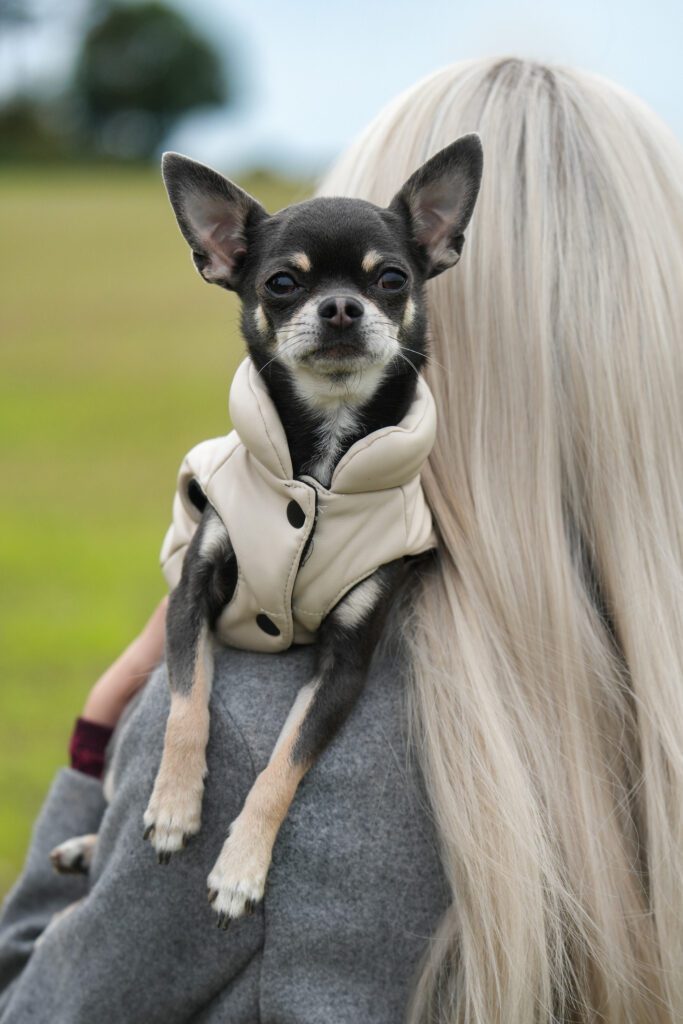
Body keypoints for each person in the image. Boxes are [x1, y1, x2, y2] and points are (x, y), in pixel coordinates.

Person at [1, 56, 682, 1023]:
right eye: (290, 282)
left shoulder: (234, 733)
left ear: (435, 280)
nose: (333, 308)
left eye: (378, 279)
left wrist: (96, 739)